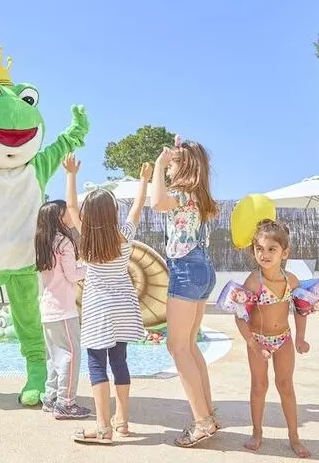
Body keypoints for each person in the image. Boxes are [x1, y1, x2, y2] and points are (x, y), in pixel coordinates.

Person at [64, 154, 151, 445]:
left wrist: (71, 174)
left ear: (89, 215)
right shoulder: (124, 235)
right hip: (124, 306)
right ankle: (122, 421)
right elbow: (138, 205)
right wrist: (144, 180)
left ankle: (102, 427)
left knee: (96, 363)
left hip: (99, 309)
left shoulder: (86, 239)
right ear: (113, 212)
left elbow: (71, 206)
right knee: (119, 361)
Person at [149, 136, 219, 447]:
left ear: (184, 166)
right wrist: (174, 156)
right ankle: (208, 414)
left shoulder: (181, 194)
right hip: (202, 267)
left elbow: (156, 203)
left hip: (185, 268)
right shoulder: (199, 196)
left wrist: (159, 164)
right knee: (189, 345)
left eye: (172, 165)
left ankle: (202, 421)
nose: (168, 169)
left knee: (177, 347)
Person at [234, 220, 311, 458]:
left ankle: (294, 436)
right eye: (259, 248)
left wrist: (300, 338)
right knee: (259, 386)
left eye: (271, 249)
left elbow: (301, 310)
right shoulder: (253, 281)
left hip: (283, 339)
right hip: (258, 339)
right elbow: (240, 315)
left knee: (286, 386)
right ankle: (257, 433)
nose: (264, 254)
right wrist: (252, 344)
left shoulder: (291, 280)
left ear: (284, 253)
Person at [35, 199, 90, 420]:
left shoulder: (44, 242)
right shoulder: (64, 242)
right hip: (63, 310)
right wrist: (93, 266)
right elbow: (72, 275)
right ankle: (66, 403)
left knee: (54, 357)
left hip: (48, 310)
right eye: (67, 210)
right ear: (59, 216)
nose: (71, 213)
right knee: (71, 355)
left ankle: (50, 398)